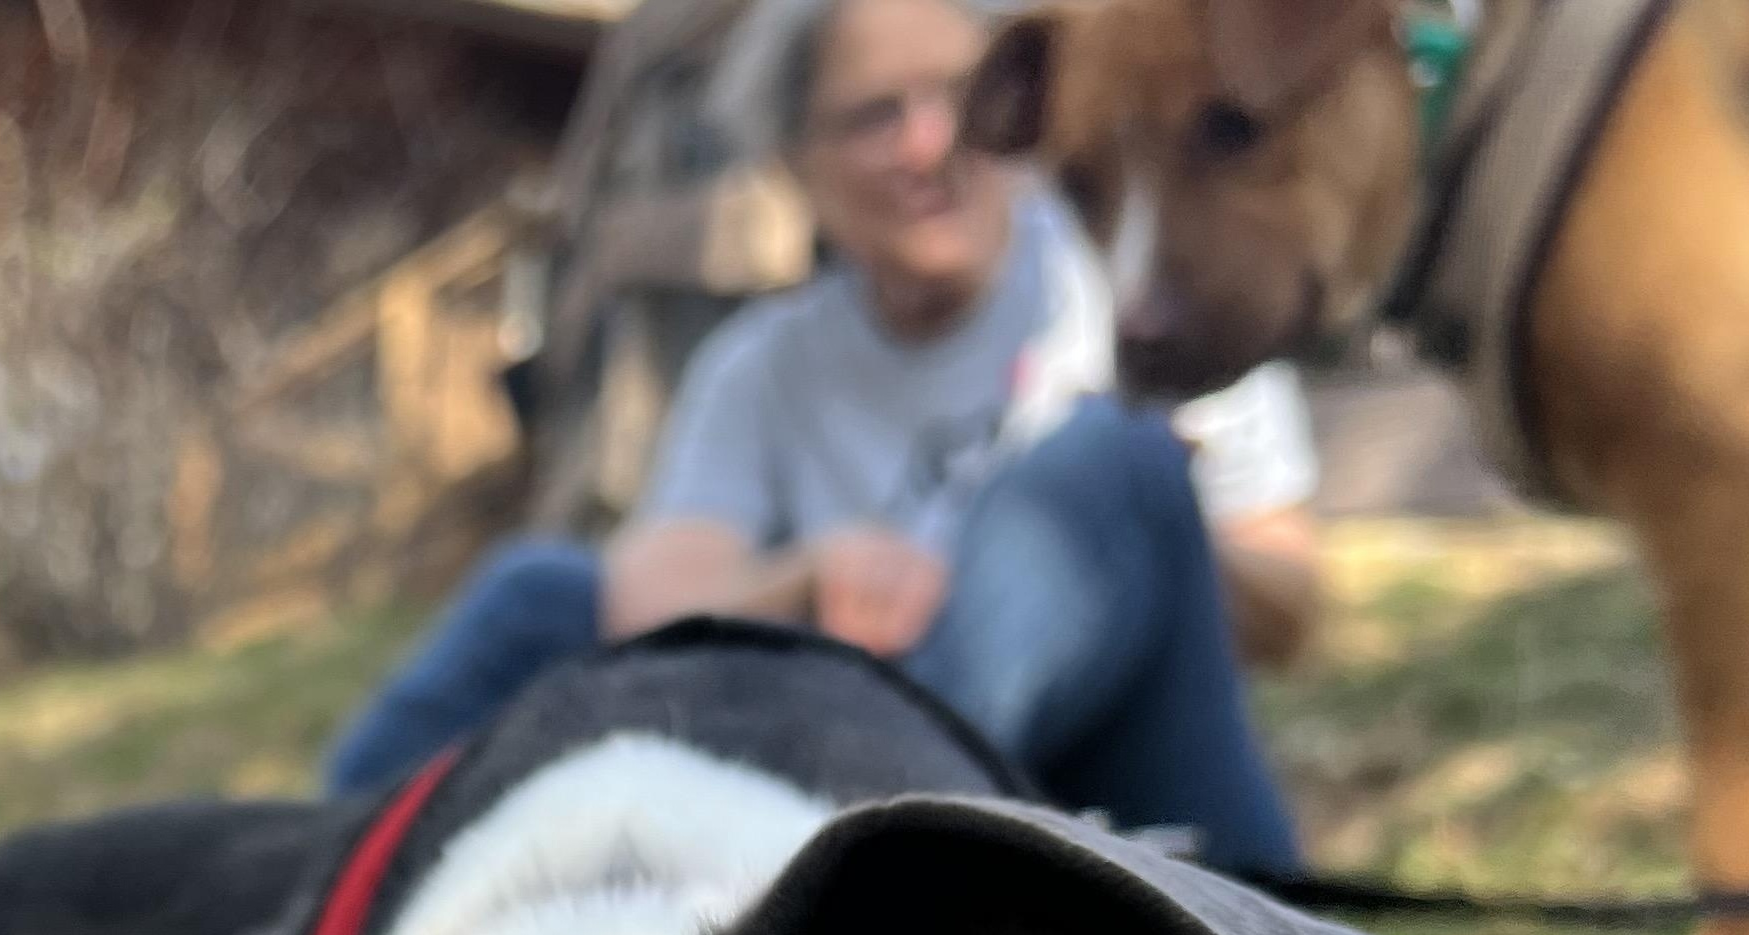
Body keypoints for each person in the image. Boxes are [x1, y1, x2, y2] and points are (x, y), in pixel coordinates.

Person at [323, 0, 1321, 874]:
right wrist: (807, 576)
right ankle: (293, 893)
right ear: (796, 165)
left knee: (1105, 463)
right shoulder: (766, 367)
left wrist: (1133, 537)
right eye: (872, 116)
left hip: (1143, 805)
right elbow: (647, 595)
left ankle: (815, 875)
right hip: (896, 778)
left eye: (956, 96)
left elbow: (1296, 602)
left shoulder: (1141, 282)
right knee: (536, 594)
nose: (928, 142)